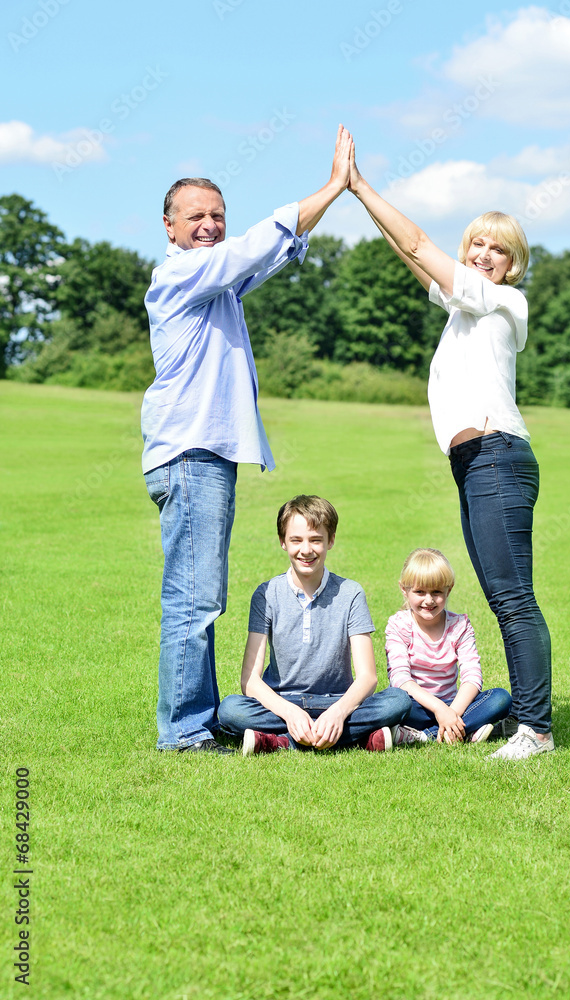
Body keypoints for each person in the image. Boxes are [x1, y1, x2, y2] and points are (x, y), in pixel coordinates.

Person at [142, 128, 355, 753]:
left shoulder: (215, 284)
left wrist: (311, 224)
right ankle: (183, 732)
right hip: (190, 455)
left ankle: (198, 722)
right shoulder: (179, 275)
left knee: (201, 595)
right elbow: (254, 247)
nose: (209, 225)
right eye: (195, 216)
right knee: (194, 598)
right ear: (169, 226)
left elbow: (262, 259)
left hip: (205, 456)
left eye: (218, 216)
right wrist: (333, 187)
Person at [347, 135, 554, 760]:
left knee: (514, 599)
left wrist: (359, 186)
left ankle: (537, 730)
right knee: (503, 595)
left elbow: (418, 245)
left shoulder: (503, 302)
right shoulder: (465, 306)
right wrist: (364, 207)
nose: (486, 254)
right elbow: (412, 258)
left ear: (513, 265)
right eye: (477, 244)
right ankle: (520, 717)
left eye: (500, 248)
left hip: (498, 458)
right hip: (476, 464)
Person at [217, 495, 414, 754]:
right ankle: (355, 737)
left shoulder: (351, 593)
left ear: (330, 540)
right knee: (230, 709)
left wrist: (338, 713)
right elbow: (250, 681)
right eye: (296, 540)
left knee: (397, 701)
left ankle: (281, 742)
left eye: (316, 540)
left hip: (336, 701)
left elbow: (368, 678)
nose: (306, 550)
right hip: (282, 702)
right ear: (282, 542)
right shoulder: (266, 594)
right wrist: (289, 713)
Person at [386, 548, 512, 744]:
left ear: (449, 589)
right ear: (404, 589)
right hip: (415, 706)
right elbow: (400, 679)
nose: (428, 600)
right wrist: (439, 710)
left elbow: (472, 677)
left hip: (454, 705)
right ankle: (466, 730)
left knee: (501, 699)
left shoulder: (460, 626)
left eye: (436, 592)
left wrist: (451, 712)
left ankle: (424, 736)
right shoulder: (398, 625)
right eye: (420, 592)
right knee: (392, 702)